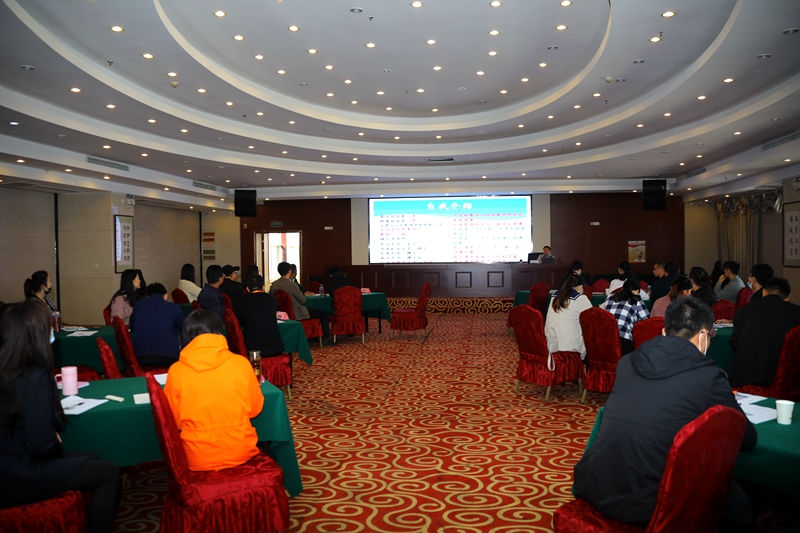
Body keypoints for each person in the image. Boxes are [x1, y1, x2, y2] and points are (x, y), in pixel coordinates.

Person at [573, 297, 757, 528]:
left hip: (597, 484)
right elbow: (747, 439)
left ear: (664, 331)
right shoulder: (708, 375)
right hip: (650, 503)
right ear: (703, 336)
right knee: (739, 497)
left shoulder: (627, 363)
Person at [0, 300, 119, 533]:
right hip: (21, 475)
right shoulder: (35, 377)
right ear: (35, 335)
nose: (53, 334)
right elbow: (42, 445)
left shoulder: (8, 369)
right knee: (109, 473)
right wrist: (53, 437)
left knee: (93, 458)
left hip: (9, 463)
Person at [164, 310, 264, 471]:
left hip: (197, 456)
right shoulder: (241, 364)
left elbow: (172, 420)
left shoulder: (176, 371)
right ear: (219, 331)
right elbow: (255, 409)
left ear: (187, 335)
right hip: (241, 450)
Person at [727, 278, 800, 389]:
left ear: (764, 292)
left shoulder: (744, 310)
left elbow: (735, 343)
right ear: (786, 298)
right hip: (783, 379)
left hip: (744, 377)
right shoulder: (796, 312)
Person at [269, 262, 334, 346]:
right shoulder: (292, 285)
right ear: (289, 271)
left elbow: (271, 299)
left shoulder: (274, 285)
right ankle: (326, 339)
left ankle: (314, 337)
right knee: (324, 313)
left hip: (282, 314)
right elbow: (303, 300)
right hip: (296, 313)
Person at [129, 283, 185, 367]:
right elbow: (184, 328)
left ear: (147, 296)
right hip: (169, 356)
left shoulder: (138, 305)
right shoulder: (173, 307)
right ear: (165, 295)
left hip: (141, 357)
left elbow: (132, 327)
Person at [234, 275, 284, 358]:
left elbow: (241, 322)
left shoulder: (241, 302)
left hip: (252, 349)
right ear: (263, 287)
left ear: (247, 289)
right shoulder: (272, 300)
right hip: (275, 348)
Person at [545, 275, 593, 359]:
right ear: (581, 287)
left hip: (550, 343)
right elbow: (593, 318)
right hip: (569, 348)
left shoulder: (554, 296)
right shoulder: (581, 298)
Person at [603, 279, 650, 355]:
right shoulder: (636, 299)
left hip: (606, 337)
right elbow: (648, 319)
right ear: (636, 291)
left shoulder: (609, 297)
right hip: (623, 338)